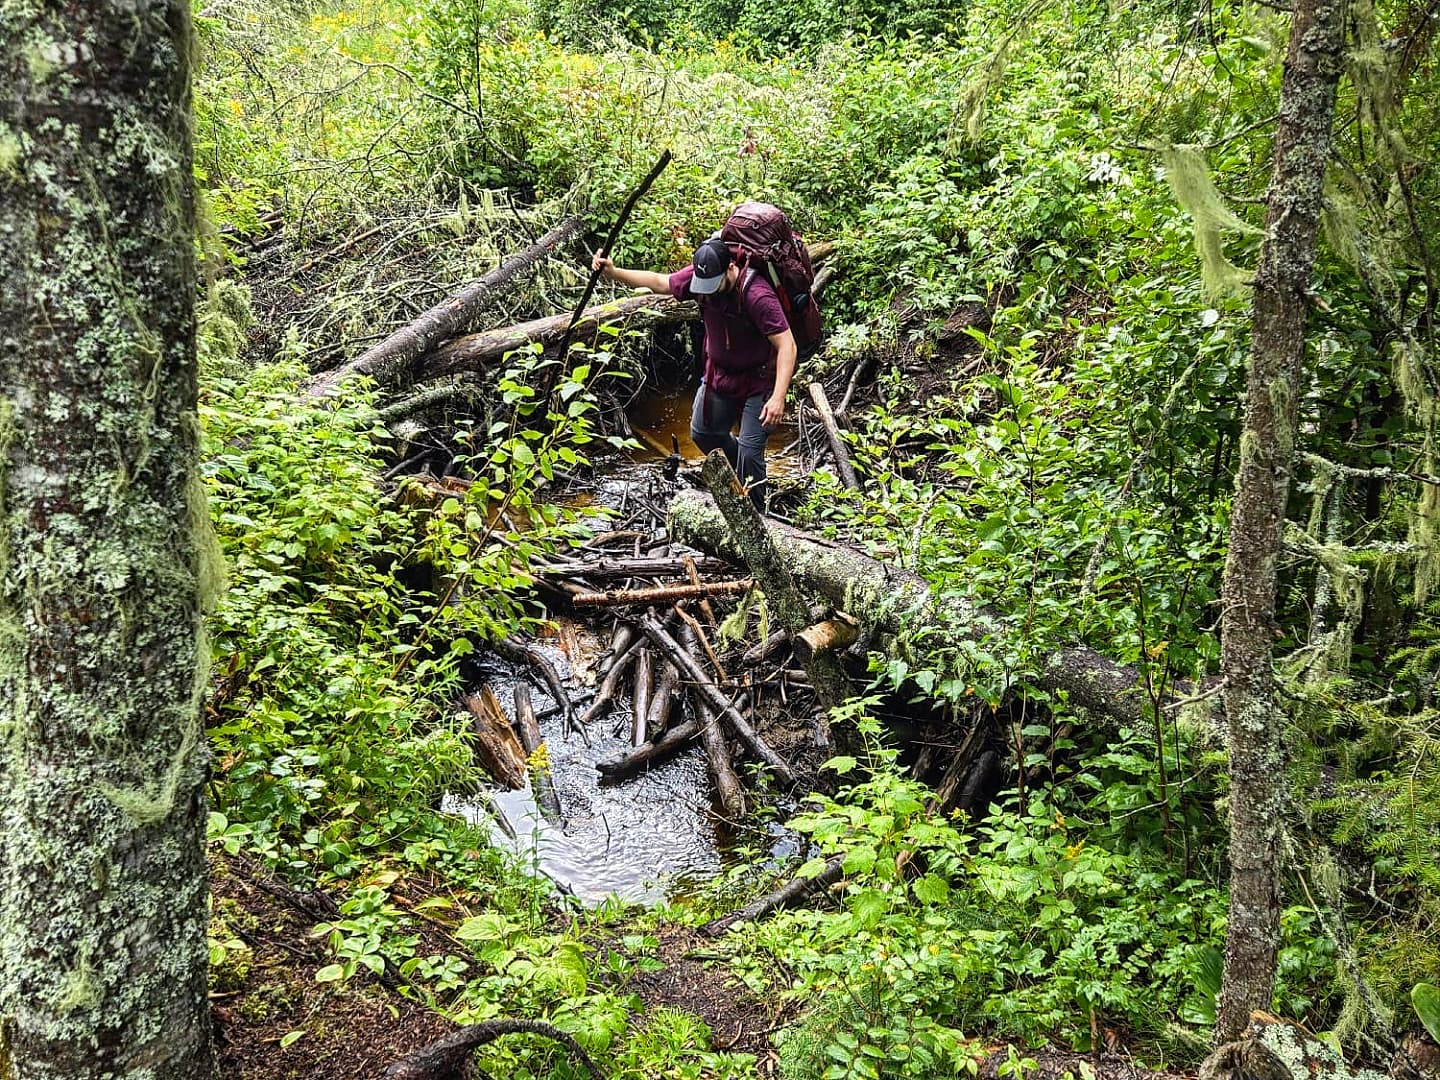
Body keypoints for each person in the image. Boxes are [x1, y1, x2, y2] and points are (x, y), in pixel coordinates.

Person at [592, 236, 797, 511]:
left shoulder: (757, 294)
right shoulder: (702, 278)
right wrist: (614, 273)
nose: (708, 292)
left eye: (714, 286)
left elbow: (787, 345)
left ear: (730, 269)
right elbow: (659, 282)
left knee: (750, 455)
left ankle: (761, 518)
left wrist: (778, 397)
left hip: (758, 380)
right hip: (719, 375)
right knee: (702, 433)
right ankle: (743, 482)